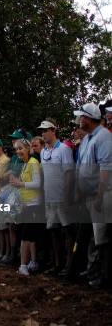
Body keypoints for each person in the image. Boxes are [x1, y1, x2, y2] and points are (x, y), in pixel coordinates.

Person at [73, 103, 112, 287]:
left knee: (102, 237)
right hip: (89, 196)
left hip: (102, 195)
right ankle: (92, 270)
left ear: (89, 118)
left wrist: (98, 195)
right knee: (91, 237)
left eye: (81, 117)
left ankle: (103, 276)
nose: (79, 120)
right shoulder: (87, 139)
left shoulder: (103, 136)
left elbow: (106, 168)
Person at [37, 119, 75, 276]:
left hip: (61, 197)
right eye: (42, 131)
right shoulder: (43, 151)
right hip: (49, 198)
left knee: (67, 232)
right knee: (53, 232)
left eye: (46, 130)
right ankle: (57, 263)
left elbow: (69, 174)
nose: (43, 133)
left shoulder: (64, 149)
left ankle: (70, 265)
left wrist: (66, 196)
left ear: (53, 130)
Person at [9, 139, 42, 275]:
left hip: (33, 204)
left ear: (28, 149)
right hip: (26, 204)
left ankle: (23, 265)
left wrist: (20, 184)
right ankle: (32, 262)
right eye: (16, 149)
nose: (18, 152)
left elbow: (38, 183)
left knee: (25, 236)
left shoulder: (33, 163)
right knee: (30, 236)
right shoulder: (25, 164)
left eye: (21, 148)